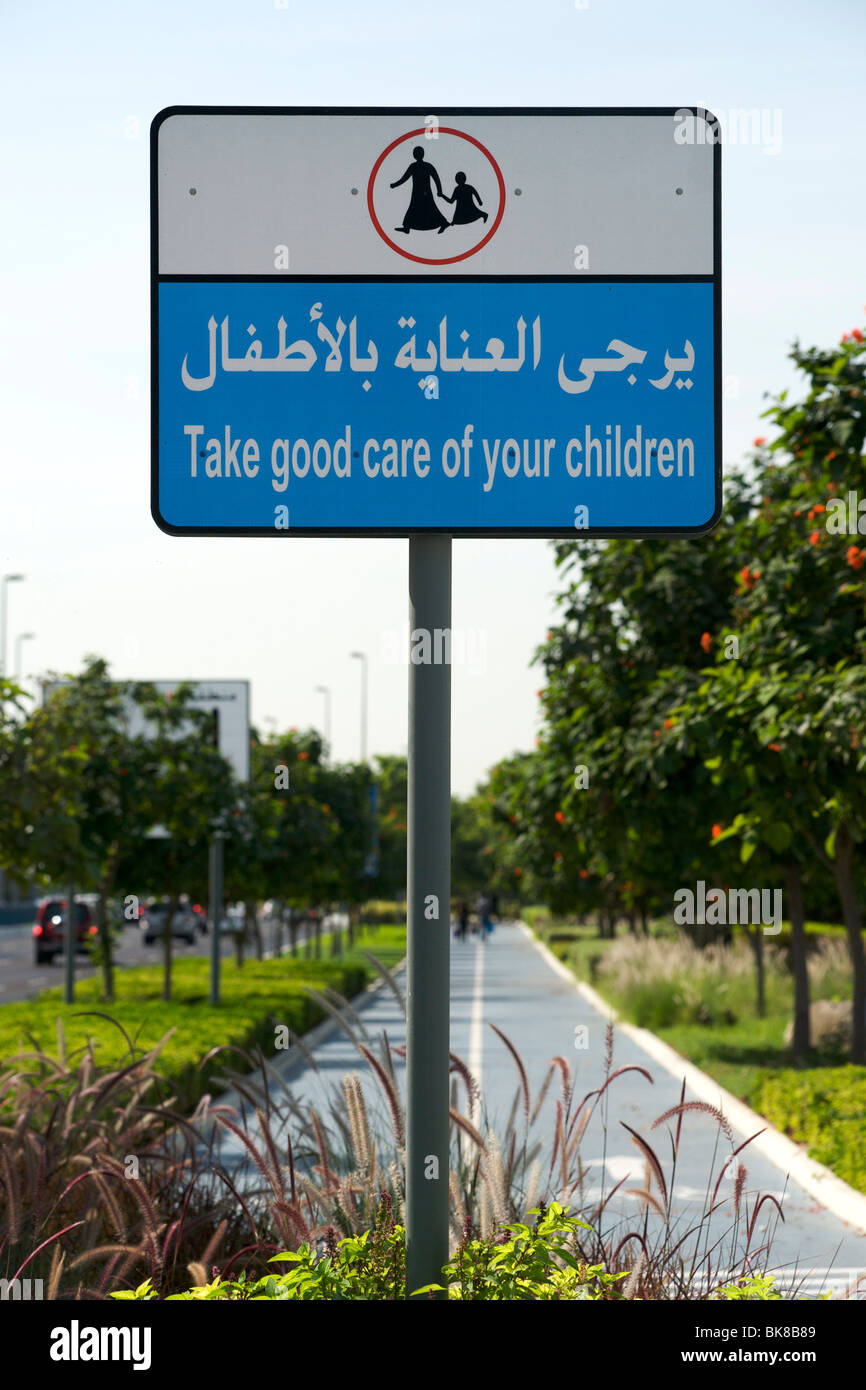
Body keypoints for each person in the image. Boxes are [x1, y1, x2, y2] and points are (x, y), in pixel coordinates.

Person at [390, 147, 450, 234]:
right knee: (416, 208)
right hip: (418, 192)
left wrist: (439, 190)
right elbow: (404, 178)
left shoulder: (422, 166)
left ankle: (443, 223)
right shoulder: (416, 166)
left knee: (429, 208)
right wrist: (395, 184)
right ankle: (407, 227)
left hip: (424, 192)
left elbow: (436, 178)